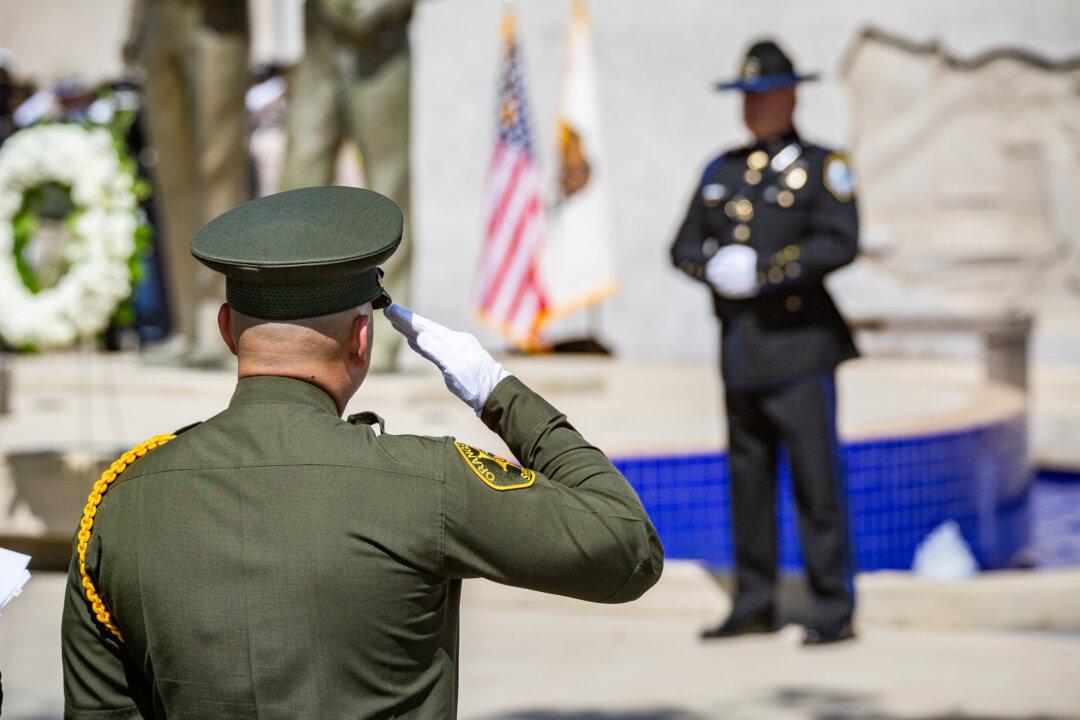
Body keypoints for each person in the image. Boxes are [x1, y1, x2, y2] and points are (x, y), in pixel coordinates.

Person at [61, 186, 663, 718]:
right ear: (363, 336)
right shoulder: (424, 481)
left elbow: (102, 708)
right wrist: (498, 393)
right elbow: (626, 548)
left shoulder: (122, 501)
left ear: (226, 330)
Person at [670, 40, 859, 645]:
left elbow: (840, 239)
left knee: (815, 484)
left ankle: (831, 608)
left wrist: (769, 270)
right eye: (745, 98)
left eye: (764, 96)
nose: (754, 109)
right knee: (747, 484)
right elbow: (682, 246)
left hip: (801, 348)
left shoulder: (824, 166)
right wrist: (715, 266)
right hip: (743, 351)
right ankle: (754, 602)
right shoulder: (722, 169)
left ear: (792, 95)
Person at [280, 0, 415, 372]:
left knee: (387, 186)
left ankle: (388, 325)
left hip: (378, 47)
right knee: (298, 182)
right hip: (320, 45)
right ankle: (282, 318)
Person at [126, 0, 251, 366]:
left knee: (219, 169)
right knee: (171, 177)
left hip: (214, 19)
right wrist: (136, 25)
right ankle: (186, 326)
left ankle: (220, 319)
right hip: (158, 18)